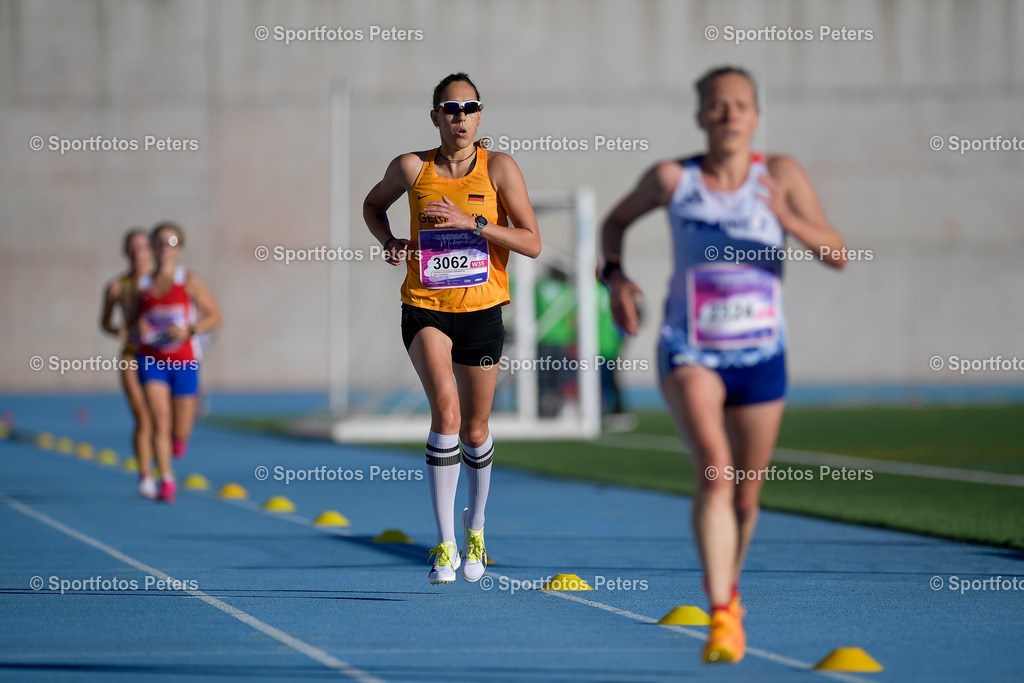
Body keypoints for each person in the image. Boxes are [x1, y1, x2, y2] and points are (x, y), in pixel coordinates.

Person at [600, 66, 846, 663]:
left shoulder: (780, 175)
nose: (729, 114)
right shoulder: (672, 179)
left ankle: (729, 597)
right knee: (715, 472)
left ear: (756, 116)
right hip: (691, 350)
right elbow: (615, 222)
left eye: (740, 104)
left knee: (745, 499)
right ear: (701, 116)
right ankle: (719, 615)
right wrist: (615, 277)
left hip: (761, 355)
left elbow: (838, 253)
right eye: (717, 104)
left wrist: (789, 220)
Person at [362, 72, 541, 584]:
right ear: (435, 116)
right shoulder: (411, 167)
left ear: (480, 116)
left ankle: (475, 528)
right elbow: (372, 205)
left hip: (482, 310)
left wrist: (474, 223)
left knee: (475, 429)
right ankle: (444, 544)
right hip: (426, 306)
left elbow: (531, 242)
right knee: (446, 411)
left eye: (470, 107)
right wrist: (389, 241)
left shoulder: (499, 167)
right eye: (451, 108)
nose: (461, 117)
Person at [134, 222, 222, 503]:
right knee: (160, 420)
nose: (165, 249)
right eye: (160, 243)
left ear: (179, 248)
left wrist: (189, 330)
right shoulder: (142, 284)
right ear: (153, 247)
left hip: (184, 361)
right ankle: (166, 479)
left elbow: (215, 315)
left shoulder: (189, 281)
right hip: (152, 359)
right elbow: (131, 320)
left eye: (171, 243)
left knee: (180, 429)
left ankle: (178, 439)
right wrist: (137, 328)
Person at [100, 228, 155, 482]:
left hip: (161, 356)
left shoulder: (163, 283)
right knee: (142, 418)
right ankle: (145, 475)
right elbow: (104, 322)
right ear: (125, 251)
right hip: (132, 355)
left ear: (151, 251)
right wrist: (117, 329)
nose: (137, 254)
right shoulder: (117, 287)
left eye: (142, 248)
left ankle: (163, 460)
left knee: (162, 420)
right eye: (132, 248)